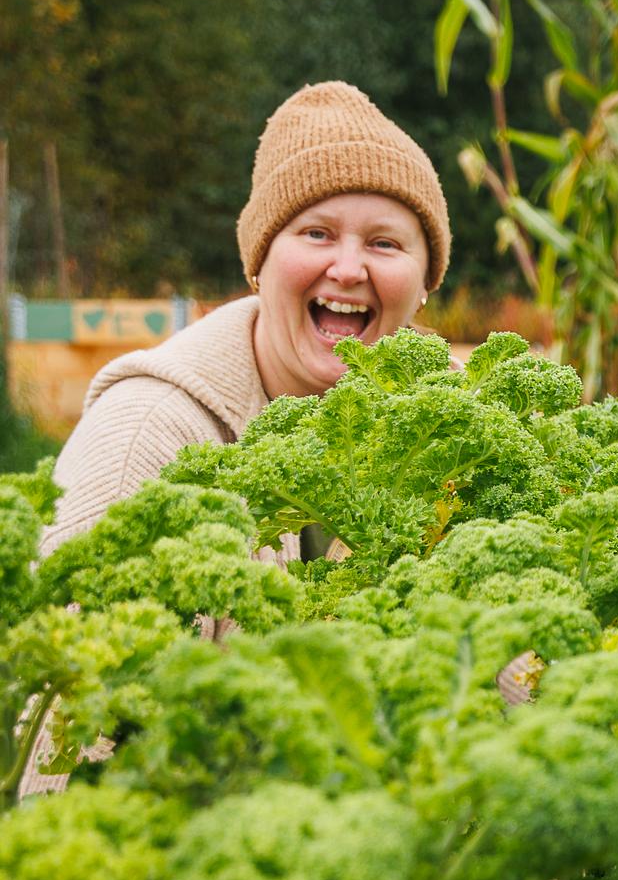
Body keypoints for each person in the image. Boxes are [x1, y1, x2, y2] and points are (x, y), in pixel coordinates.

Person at [41, 82, 450, 553]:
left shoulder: (461, 440)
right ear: (259, 263)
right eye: (317, 234)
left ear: (425, 283)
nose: (348, 269)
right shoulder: (145, 439)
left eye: (385, 243)